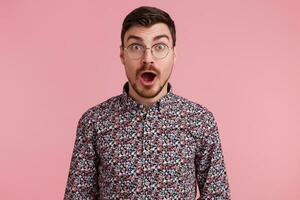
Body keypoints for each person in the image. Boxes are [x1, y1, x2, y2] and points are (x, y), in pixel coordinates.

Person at [64, 6, 231, 200]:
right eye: (136, 47)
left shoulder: (200, 120)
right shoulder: (93, 122)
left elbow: (217, 195)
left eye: (159, 47)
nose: (147, 59)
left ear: (174, 54)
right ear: (122, 55)